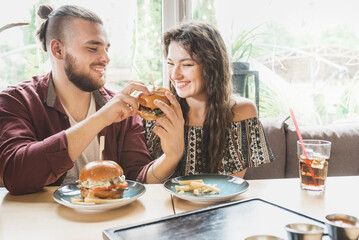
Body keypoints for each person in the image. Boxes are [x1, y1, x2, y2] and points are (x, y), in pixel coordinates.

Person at [0, 5, 155, 195]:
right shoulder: (16, 100)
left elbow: (136, 179)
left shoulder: (121, 109)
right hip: (40, 221)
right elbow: (16, 175)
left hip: (112, 220)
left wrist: (172, 155)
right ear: (58, 50)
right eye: (92, 48)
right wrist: (100, 119)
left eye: (106, 48)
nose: (106, 58)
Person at [142, 21, 275, 183]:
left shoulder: (242, 112)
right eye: (170, 63)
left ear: (212, 66)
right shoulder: (156, 111)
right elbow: (146, 183)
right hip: (166, 205)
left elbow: (231, 186)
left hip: (218, 206)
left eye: (187, 64)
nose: (175, 75)